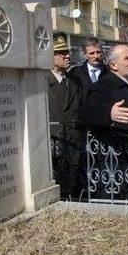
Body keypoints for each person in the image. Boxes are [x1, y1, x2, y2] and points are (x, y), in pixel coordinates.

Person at [79, 44, 128, 200]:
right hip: (120, 162)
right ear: (113, 65)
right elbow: (86, 113)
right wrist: (108, 114)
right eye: (127, 58)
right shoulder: (103, 86)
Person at [47, 32, 83, 200]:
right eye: (62, 52)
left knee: (73, 184)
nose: (67, 55)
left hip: (74, 140)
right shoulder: (41, 81)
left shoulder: (74, 80)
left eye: (67, 51)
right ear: (50, 55)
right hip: (55, 142)